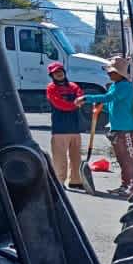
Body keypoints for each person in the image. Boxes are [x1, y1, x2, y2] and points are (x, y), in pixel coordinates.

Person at [77, 55, 133, 195]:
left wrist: (87, 98)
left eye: (111, 72)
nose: (108, 73)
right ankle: (125, 186)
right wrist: (100, 108)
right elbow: (111, 104)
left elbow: (109, 98)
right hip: (116, 128)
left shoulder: (124, 87)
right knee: (122, 160)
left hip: (126, 129)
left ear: (119, 73)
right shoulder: (115, 86)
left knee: (130, 158)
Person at [45, 61, 85, 189]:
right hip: (59, 129)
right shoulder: (51, 88)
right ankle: (59, 181)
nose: (59, 74)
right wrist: (74, 104)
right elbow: (58, 104)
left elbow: (81, 97)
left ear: (64, 72)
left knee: (76, 157)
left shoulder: (74, 86)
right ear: (51, 75)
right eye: (55, 73)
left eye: (60, 71)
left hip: (75, 127)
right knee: (59, 158)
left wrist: (76, 103)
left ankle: (76, 181)